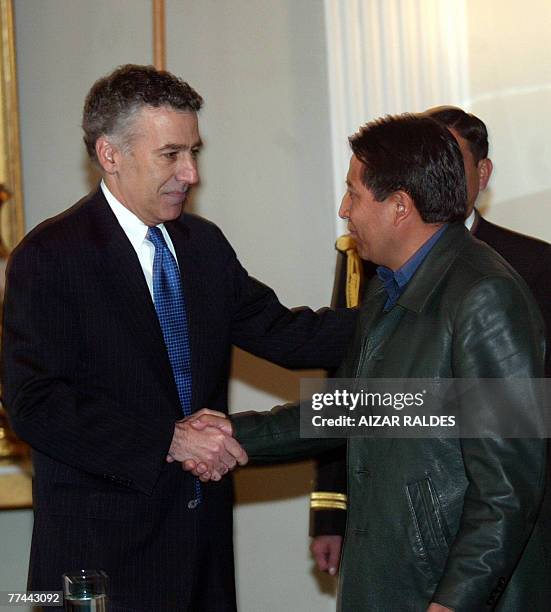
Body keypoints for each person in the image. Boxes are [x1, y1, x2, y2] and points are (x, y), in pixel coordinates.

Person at [0, 64, 357, 612]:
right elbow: (34, 406)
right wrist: (168, 439)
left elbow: (290, 334)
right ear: (110, 154)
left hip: (202, 555)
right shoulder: (50, 257)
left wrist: (419, 307)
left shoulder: (203, 245)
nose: (190, 173)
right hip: (102, 561)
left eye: (195, 151)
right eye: (171, 154)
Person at [190, 114, 550, 610]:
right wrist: (230, 434)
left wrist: (455, 600)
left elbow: (510, 484)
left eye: (354, 194)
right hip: (389, 578)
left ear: (400, 206)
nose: (345, 209)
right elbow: (357, 409)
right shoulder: (388, 286)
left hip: (439, 590)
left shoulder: (485, 295)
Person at [309, 106, 551, 578]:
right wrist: (329, 507)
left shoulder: (517, 271)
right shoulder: (381, 273)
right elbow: (356, 394)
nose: (345, 209)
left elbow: (512, 443)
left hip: (489, 524)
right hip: (403, 529)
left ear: (481, 173)